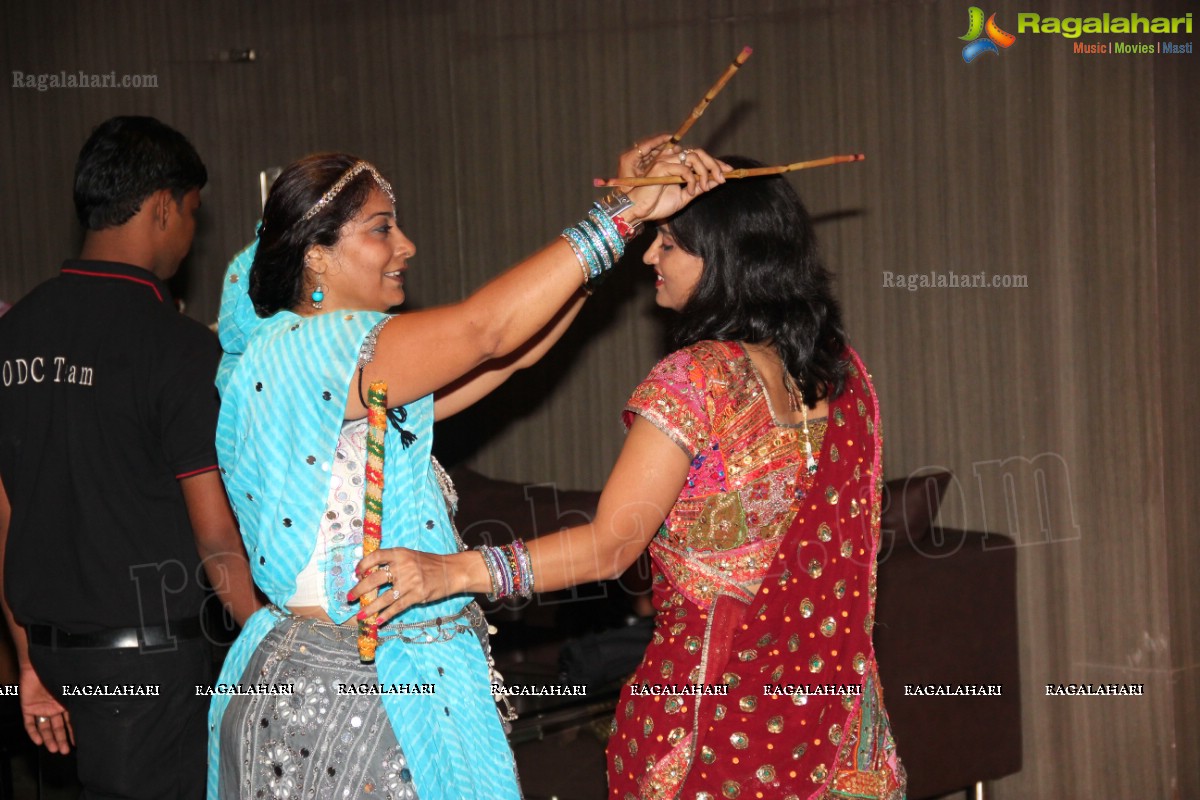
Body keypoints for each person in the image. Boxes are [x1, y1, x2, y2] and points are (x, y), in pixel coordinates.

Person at [359, 157, 907, 799]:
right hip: (839, 736)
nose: (651, 256)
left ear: (724, 257)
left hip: (706, 733)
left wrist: (450, 572)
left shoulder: (697, 381)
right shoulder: (849, 381)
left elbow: (612, 545)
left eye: (669, 243)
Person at [209, 137, 725, 799]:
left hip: (370, 678)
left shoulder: (348, 373)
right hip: (345, 693)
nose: (407, 247)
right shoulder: (310, 351)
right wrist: (619, 214)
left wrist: (620, 224)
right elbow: (488, 331)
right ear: (316, 254)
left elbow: (511, 356)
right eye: (381, 229)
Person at [0, 116, 260, 799]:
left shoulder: (15, 331)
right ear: (163, 206)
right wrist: (270, 643)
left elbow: (6, 512)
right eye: (193, 215)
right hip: (147, 672)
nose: (190, 238)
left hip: (54, 656)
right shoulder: (175, 348)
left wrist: (28, 659)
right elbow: (215, 535)